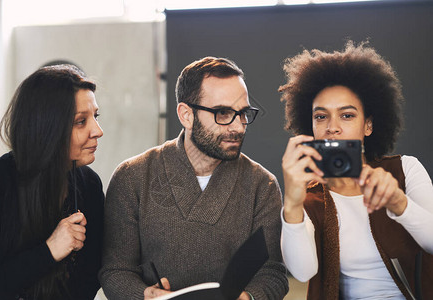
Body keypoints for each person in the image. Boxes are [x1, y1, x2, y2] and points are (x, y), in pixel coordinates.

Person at [99, 57, 288, 300]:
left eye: (243, 114)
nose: (239, 127)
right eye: (223, 113)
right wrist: (145, 295)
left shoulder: (263, 185)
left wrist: (248, 297)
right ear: (186, 115)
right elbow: (115, 270)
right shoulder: (133, 177)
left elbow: (273, 273)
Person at [279, 41, 433, 299]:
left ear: (368, 126)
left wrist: (399, 203)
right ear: (311, 128)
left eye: (347, 115)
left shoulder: (405, 169)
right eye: (321, 116)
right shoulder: (310, 197)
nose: (333, 127)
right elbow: (303, 272)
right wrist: (293, 205)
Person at [0, 65, 105, 299]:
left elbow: (90, 279)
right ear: (47, 126)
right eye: (81, 121)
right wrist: (49, 251)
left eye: (95, 117)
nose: (97, 131)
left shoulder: (89, 185)